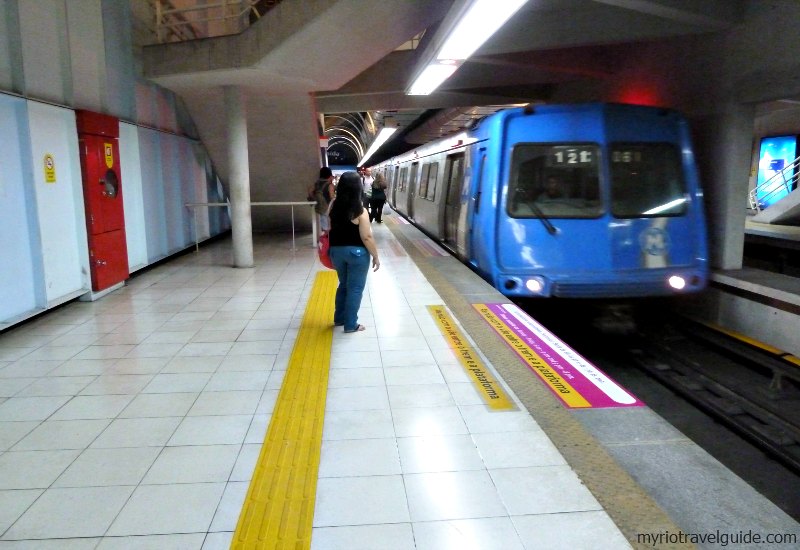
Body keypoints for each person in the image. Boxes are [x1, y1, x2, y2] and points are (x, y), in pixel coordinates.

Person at [327, 171, 380, 333]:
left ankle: (339, 318)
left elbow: (328, 227)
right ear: (358, 188)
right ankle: (351, 324)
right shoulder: (360, 210)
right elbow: (366, 237)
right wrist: (375, 256)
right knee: (355, 288)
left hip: (336, 252)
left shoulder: (333, 206)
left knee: (343, 285)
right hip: (356, 254)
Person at [310, 167, 335, 232]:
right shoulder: (330, 185)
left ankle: (325, 235)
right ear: (330, 176)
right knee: (329, 226)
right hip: (328, 208)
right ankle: (327, 237)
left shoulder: (316, 184)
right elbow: (332, 198)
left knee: (324, 226)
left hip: (320, 208)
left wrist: (315, 199)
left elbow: (310, 191)